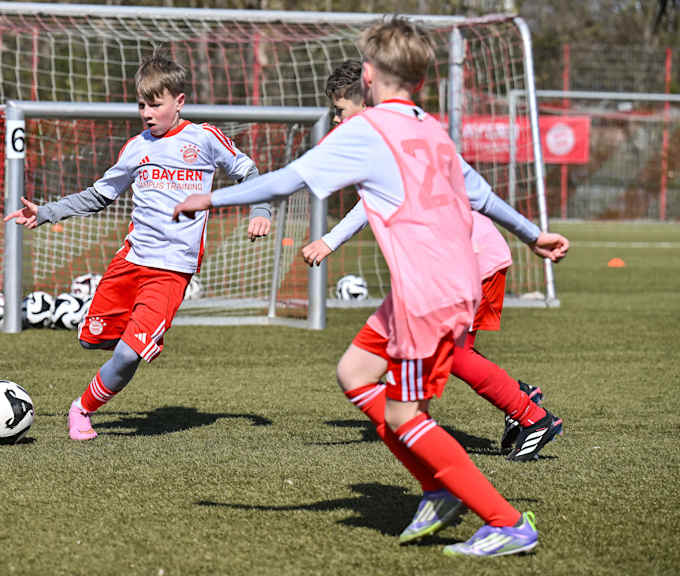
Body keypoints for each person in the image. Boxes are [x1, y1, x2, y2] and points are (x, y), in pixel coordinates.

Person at [173, 18, 569, 558]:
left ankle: (504, 521)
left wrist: (210, 199)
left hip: (426, 292)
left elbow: (288, 179)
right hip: (444, 283)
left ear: (367, 74)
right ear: (422, 80)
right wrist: (531, 235)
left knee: (406, 415)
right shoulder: (430, 127)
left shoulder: (368, 129)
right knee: (355, 373)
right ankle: (435, 490)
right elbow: (479, 192)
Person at [5, 49, 273, 441]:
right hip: (130, 261)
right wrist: (46, 212)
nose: (147, 113)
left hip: (172, 270)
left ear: (179, 102)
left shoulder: (204, 139)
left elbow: (248, 171)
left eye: (155, 104)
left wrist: (260, 209)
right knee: (89, 338)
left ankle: (81, 409)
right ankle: (142, 335)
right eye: (141, 105)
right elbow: (99, 195)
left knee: (128, 354)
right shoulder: (135, 148)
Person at [303, 60, 562, 464]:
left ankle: (532, 416)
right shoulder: (389, 137)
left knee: (454, 356)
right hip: (471, 257)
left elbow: (467, 193)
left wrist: (330, 240)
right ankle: (520, 399)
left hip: (470, 258)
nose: (336, 119)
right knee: (458, 353)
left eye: (339, 110)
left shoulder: (390, 136)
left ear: (364, 100)